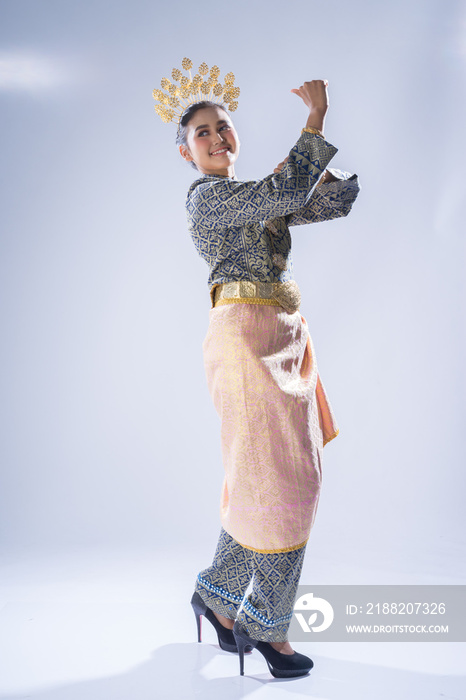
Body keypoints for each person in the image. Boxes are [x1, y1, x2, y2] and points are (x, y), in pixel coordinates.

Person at [172, 76, 359, 678]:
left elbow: (332, 202)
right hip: (247, 340)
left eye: (223, 126)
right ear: (187, 153)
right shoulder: (207, 199)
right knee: (286, 482)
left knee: (267, 476)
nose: (216, 137)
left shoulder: (256, 194)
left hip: (282, 335)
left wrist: (303, 174)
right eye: (202, 132)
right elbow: (285, 190)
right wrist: (315, 120)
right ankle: (267, 627)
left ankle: (220, 595)